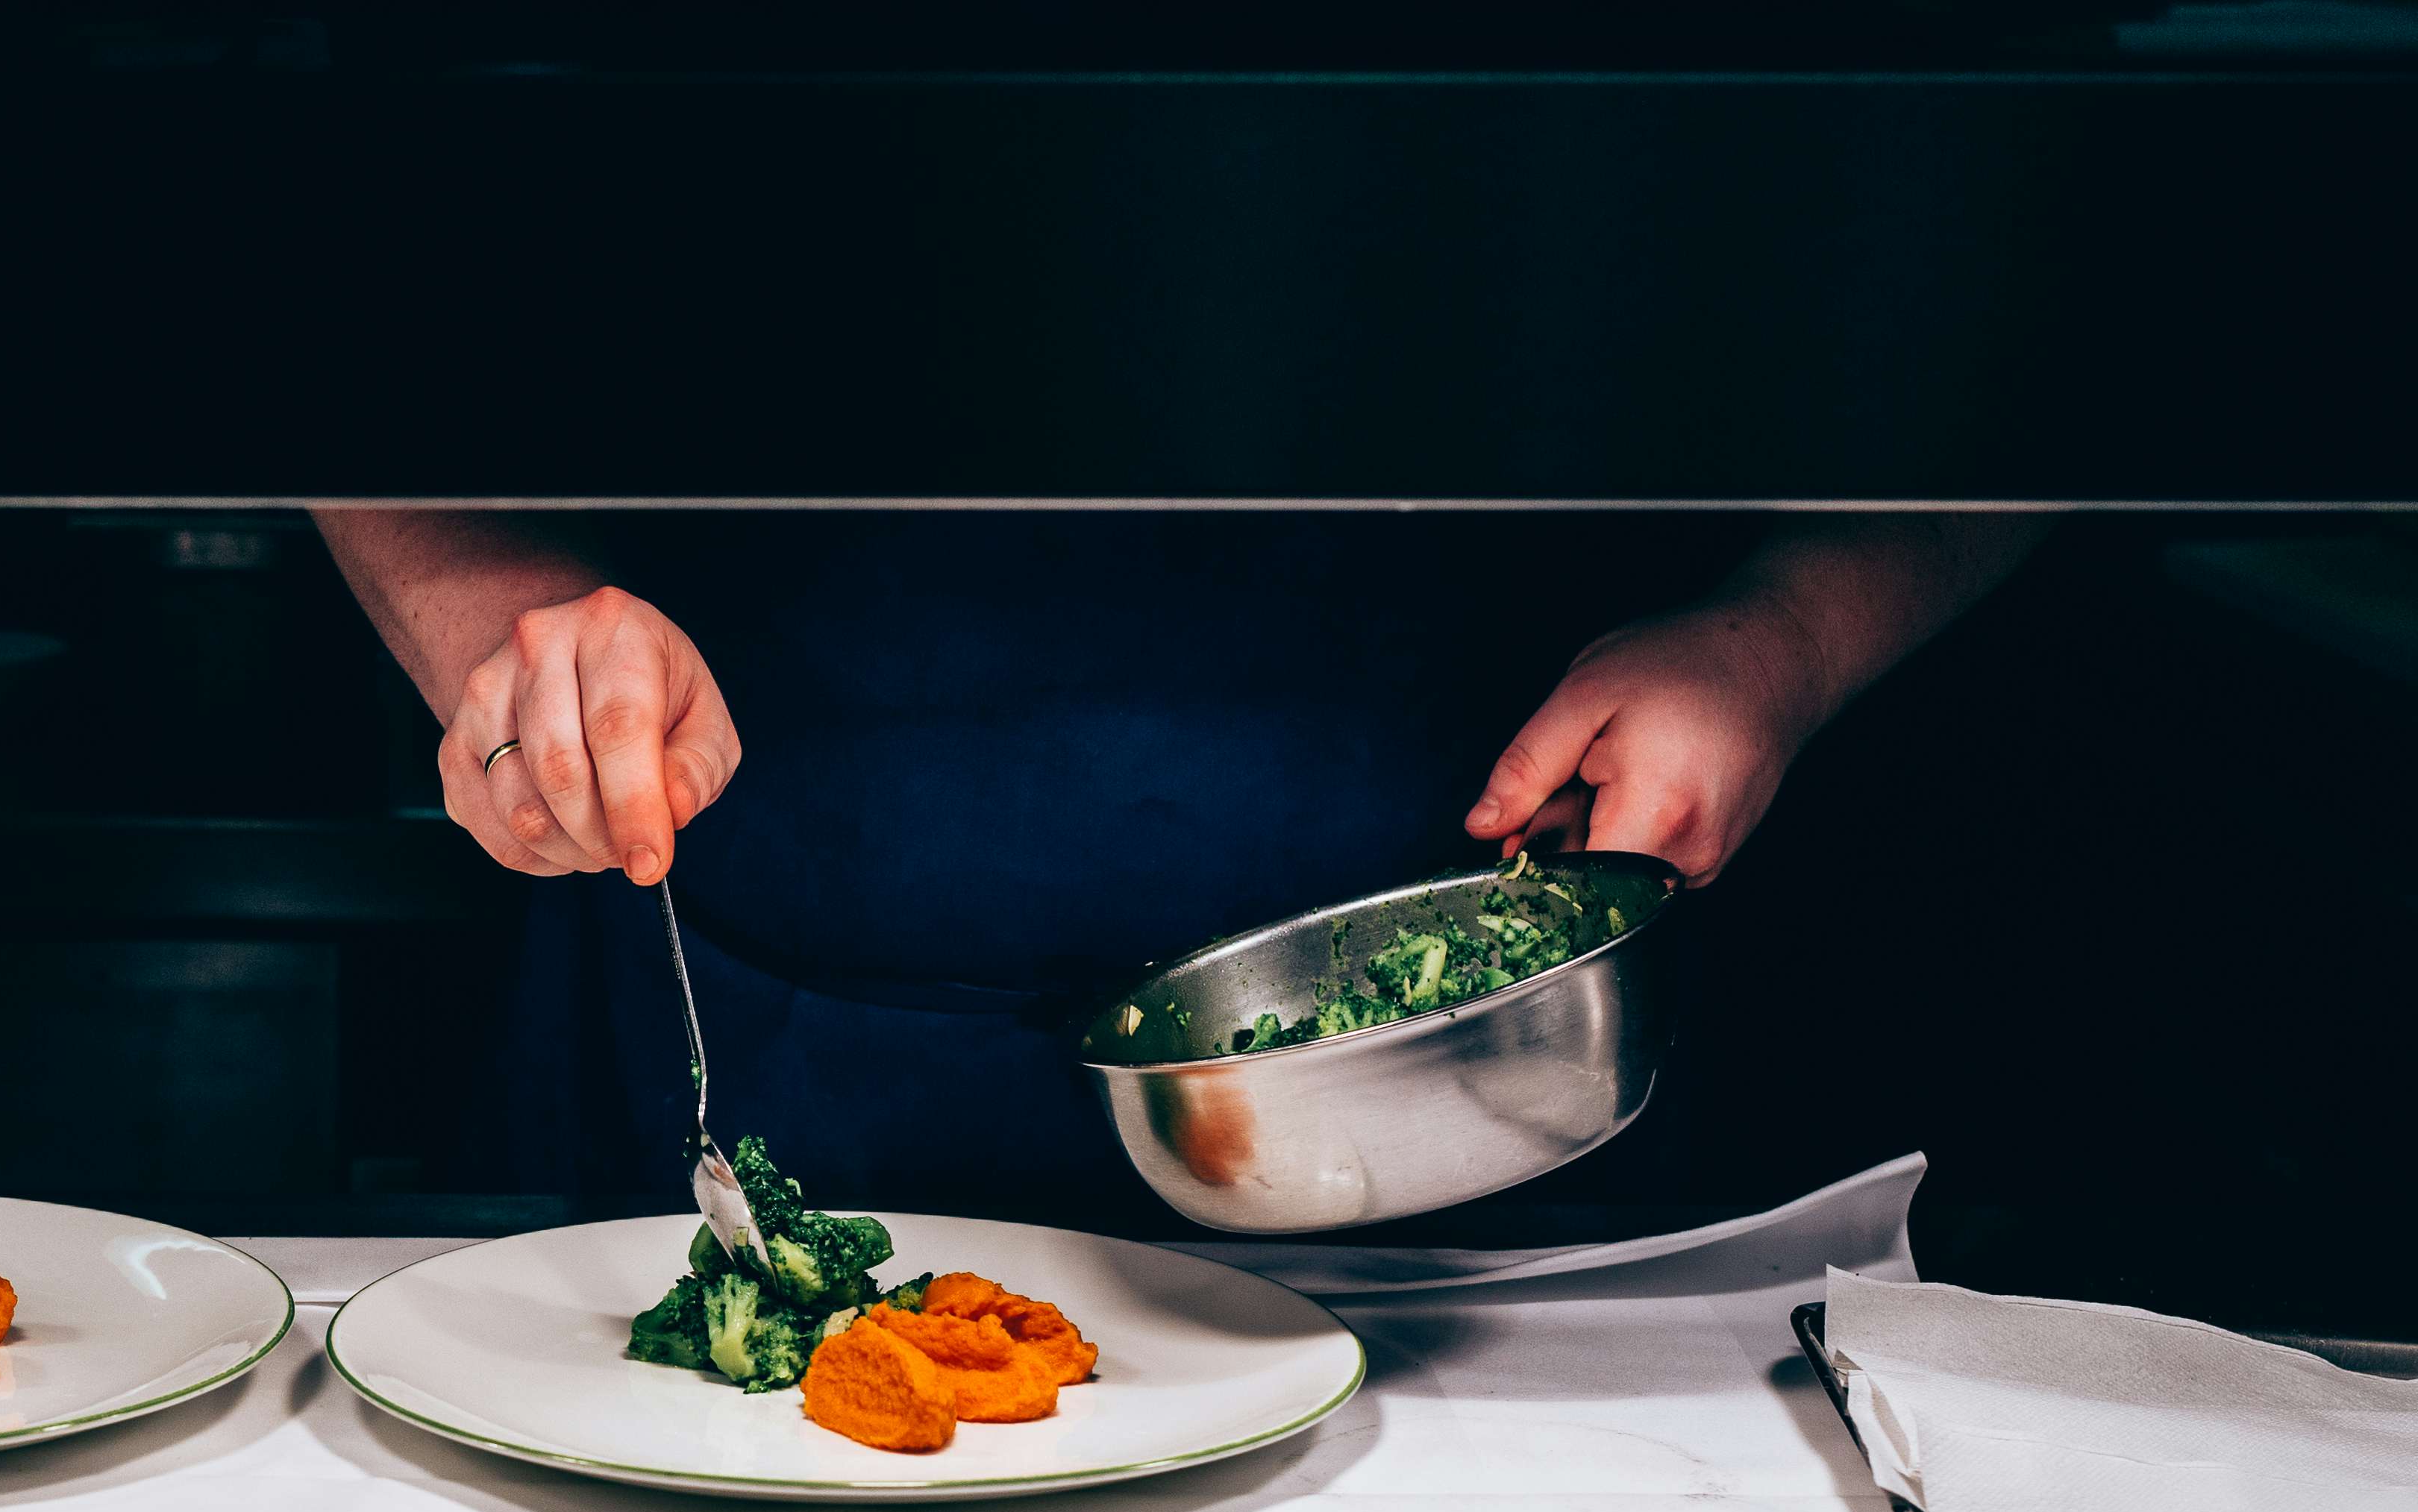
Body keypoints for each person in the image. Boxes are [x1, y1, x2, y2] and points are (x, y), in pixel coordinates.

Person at [314, 507, 2052, 1214]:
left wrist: (1779, 635)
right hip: (753, 1017)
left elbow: (2067, 276)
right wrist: (497, 627)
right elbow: (320, 240)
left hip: (1493, 1081)